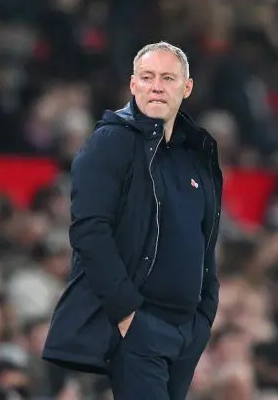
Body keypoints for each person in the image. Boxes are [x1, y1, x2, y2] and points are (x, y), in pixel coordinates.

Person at [43, 41, 223, 400]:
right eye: (148, 77)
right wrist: (128, 315)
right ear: (133, 84)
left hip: (186, 332)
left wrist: (204, 317)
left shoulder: (197, 157)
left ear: (186, 88)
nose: (157, 85)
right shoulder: (110, 143)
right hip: (140, 327)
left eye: (168, 78)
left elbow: (207, 242)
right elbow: (89, 232)